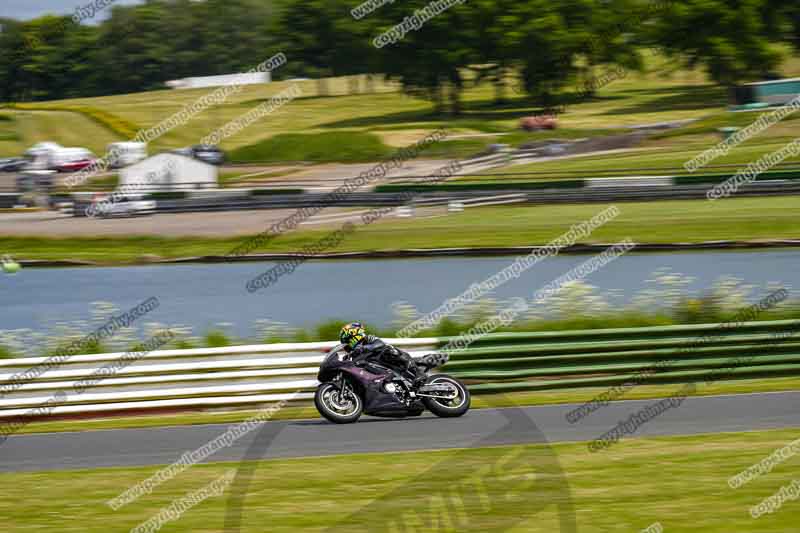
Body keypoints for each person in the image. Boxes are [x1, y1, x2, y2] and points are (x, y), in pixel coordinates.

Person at [339, 322, 426, 385]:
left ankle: (418, 373)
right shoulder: (352, 354)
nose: (346, 345)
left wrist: (364, 348)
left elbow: (379, 343)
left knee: (389, 351)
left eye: (347, 341)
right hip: (378, 373)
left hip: (388, 362)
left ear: (353, 335)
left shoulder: (368, 339)